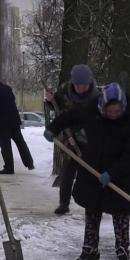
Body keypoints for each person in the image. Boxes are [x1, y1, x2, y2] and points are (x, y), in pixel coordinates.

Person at [44, 83, 130, 260]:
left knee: (120, 212)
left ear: (123, 107)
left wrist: (112, 173)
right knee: (92, 208)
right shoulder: (91, 108)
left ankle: (122, 250)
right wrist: (53, 128)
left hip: (122, 172)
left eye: (117, 111)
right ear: (102, 107)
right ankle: (90, 249)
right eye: (109, 111)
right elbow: (70, 116)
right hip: (94, 166)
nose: (113, 115)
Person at [44, 65, 102, 214]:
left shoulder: (96, 96)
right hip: (67, 134)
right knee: (68, 171)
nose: (81, 89)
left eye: (84, 86)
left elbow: (92, 122)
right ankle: (64, 203)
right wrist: (50, 100)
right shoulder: (65, 90)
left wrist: (79, 137)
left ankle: (93, 204)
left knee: (91, 172)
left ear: (89, 83)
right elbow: (56, 106)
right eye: (78, 86)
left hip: (89, 139)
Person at [0, 78, 35, 174]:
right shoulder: (7, 88)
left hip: (3, 123)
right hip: (14, 121)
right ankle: (29, 163)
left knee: (6, 146)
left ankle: (9, 168)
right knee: (20, 143)